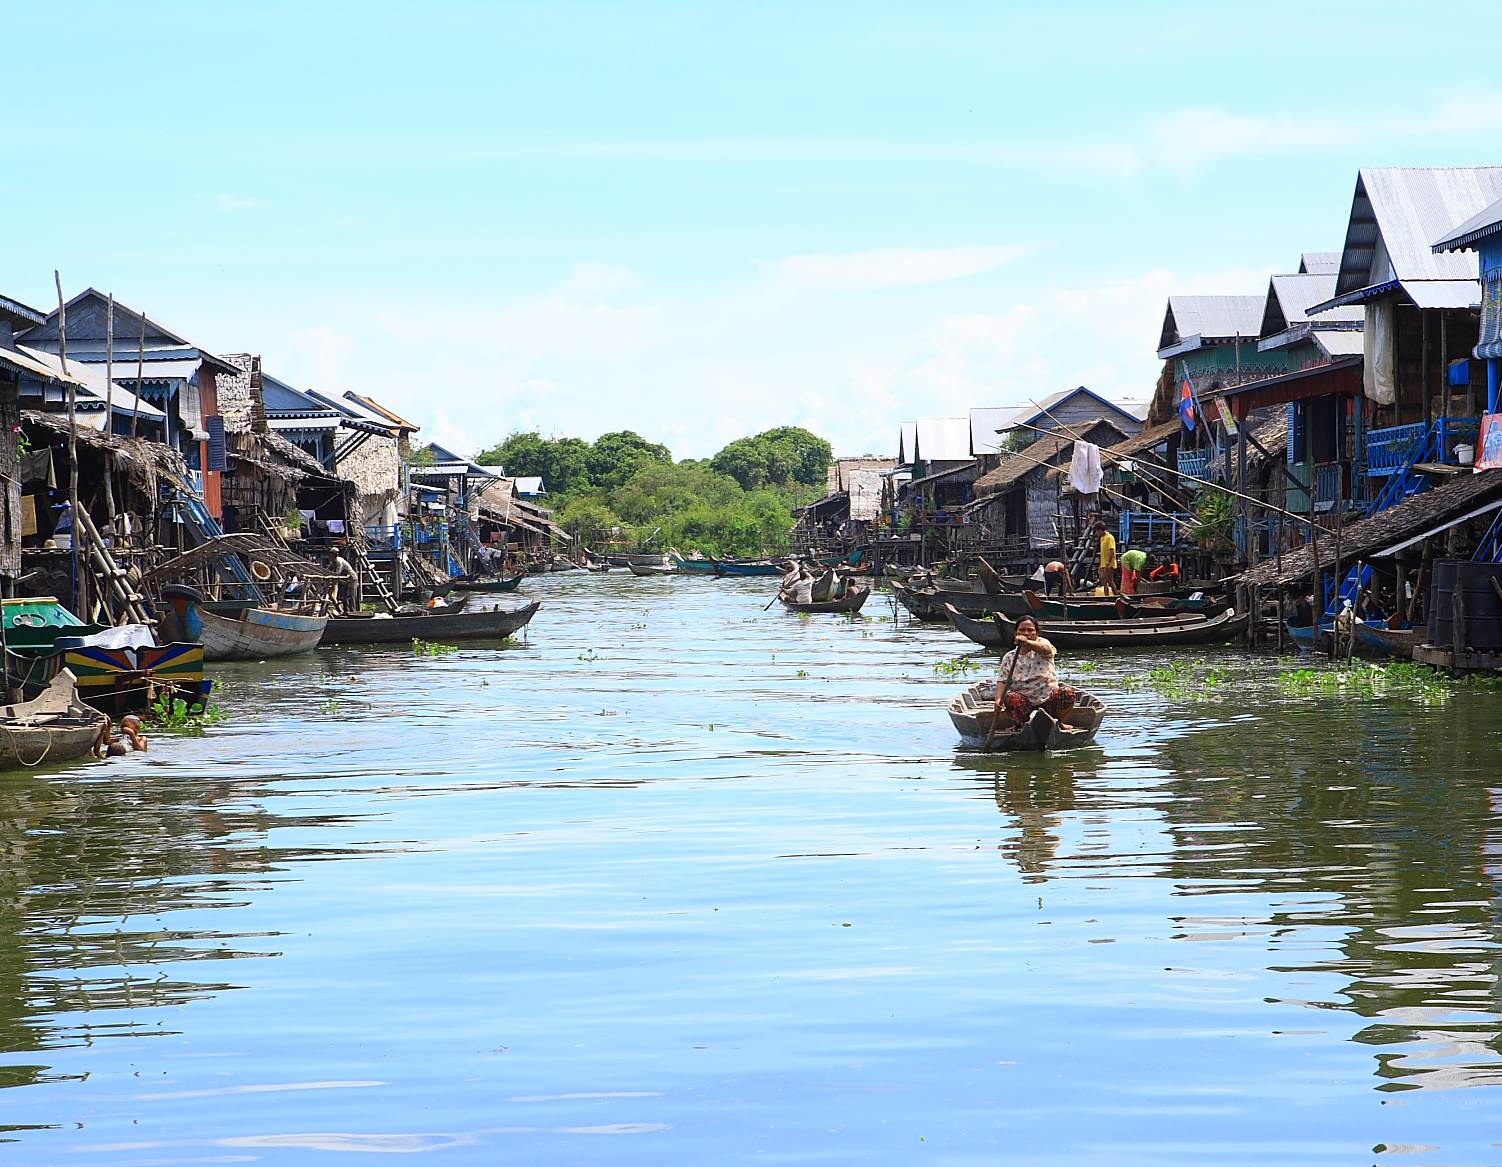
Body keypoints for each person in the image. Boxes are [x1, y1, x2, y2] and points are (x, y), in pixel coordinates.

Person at [994, 616, 1077, 728]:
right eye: (1022, 630)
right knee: (1012, 698)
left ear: (1036, 634)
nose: (1026, 633)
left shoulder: (1043, 644)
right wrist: (998, 699)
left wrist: (1027, 643)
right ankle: (1022, 726)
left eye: (1030, 630)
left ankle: (1059, 723)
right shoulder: (1009, 657)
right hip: (1024, 703)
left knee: (1066, 693)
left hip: (1048, 699)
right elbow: (1003, 681)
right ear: (1016, 633)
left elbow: (1046, 650)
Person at [1093, 521, 1118, 595]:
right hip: (1104, 563)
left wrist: (1108, 563)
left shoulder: (1109, 537)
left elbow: (1112, 551)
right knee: (1104, 581)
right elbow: (1102, 553)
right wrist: (1101, 565)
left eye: (1097, 531)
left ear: (1100, 530)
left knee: (1110, 580)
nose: (1097, 533)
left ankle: (1116, 595)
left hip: (1110, 563)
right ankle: (1107, 596)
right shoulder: (1102, 538)